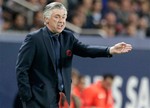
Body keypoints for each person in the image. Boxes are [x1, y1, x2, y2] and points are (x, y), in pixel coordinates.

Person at [16, 2, 132, 108]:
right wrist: (27, 98)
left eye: (64, 17)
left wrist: (109, 50)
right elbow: (22, 69)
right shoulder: (34, 39)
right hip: (37, 100)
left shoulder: (68, 37)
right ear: (46, 19)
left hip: (57, 100)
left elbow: (85, 50)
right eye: (57, 17)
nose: (61, 21)